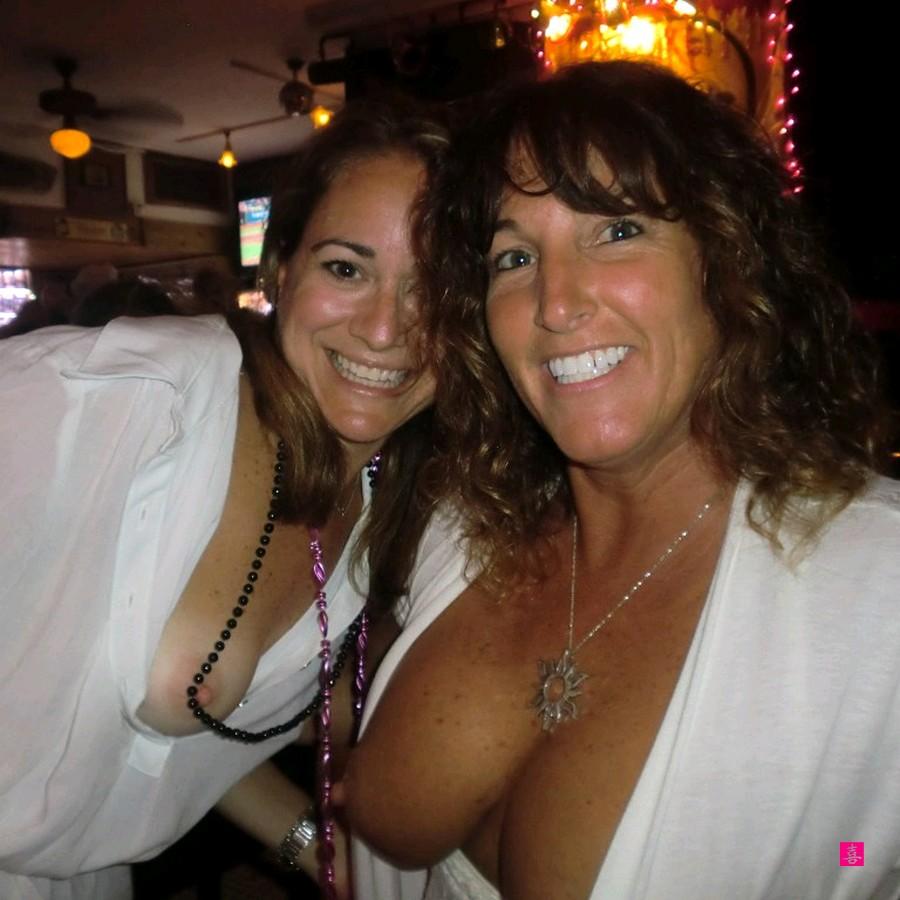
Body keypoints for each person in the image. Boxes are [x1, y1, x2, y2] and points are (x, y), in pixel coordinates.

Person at [346, 62, 900, 899]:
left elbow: (865, 856)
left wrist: (843, 874)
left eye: (616, 231)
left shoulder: (876, 585)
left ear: (728, 261)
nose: (555, 303)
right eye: (514, 256)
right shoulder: (466, 526)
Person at [0, 100, 452, 899]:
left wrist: (322, 854)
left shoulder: (378, 499)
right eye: (346, 269)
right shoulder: (133, 398)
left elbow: (186, 736)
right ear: (279, 270)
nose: (387, 329)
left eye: (436, 289)